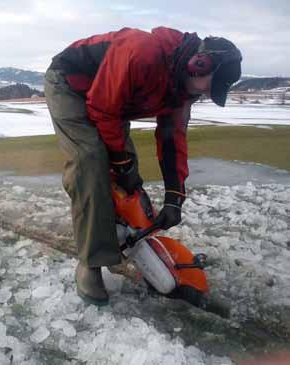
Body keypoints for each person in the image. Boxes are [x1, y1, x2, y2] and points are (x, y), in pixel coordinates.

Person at [44, 26, 242, 306]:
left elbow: (173, 139)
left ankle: (119, 244)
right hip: (71, 85)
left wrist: (175, 197)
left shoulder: (182, 90)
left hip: (109, 103)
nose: (206, 95)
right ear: (199, 64)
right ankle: (91, 262)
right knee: (90, 161)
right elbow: (102, 108)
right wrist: (121, 164)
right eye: (210, 86)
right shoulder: (143, 52)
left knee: (128, 178)